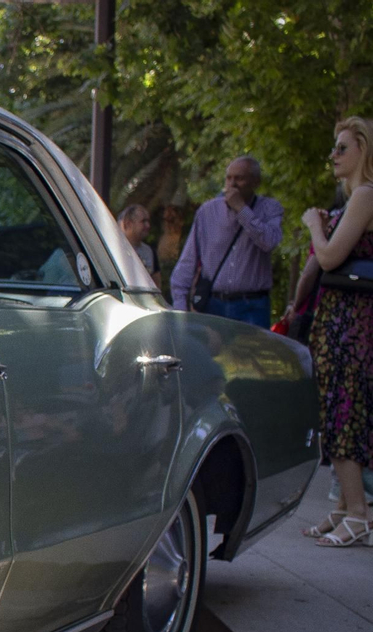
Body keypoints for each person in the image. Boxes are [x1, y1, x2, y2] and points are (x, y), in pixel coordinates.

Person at [291, 117, 373, 547]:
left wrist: (313, 225)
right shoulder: (352, 200)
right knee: (339, 410)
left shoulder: (365, 194)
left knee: (344, 412)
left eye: (342, 148)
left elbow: (328, 256)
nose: (333, 156)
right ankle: (344, 507)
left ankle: (357, 513)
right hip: (340, 319)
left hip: (353, 324)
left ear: (363, 148)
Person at [169, 155, 284, 326]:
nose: (232, 184)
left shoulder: (270, 208)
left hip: (252, 305)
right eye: (229, 178)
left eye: (239, 178)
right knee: (209, 353)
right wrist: (179, 309)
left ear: (255, 182)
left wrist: (241, 209)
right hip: (214, 304)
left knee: (250, 353)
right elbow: (188, 260)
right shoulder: (207, 212)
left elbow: (268, 241)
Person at [118, 203, 161, 288]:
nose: (148, 226)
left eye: (148, 221)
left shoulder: (150, 252)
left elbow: (156, 285)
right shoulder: (115, 249)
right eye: (143, 221)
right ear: (128, 224)